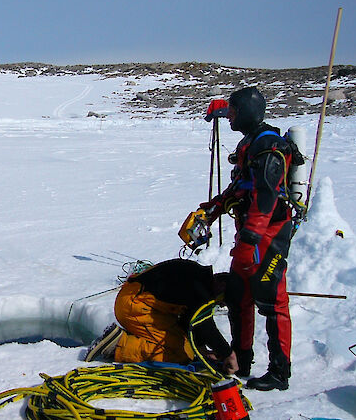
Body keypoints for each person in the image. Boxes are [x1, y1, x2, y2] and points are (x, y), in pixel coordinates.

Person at [198, 86, 295, 391]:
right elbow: (243, 186)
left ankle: (280, 373)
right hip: (249, 235)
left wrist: (251, 238)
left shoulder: (268, 146)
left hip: (268, 236)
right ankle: (241, 358)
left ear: (248, 112)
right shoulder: (249, 144)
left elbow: (267, 196)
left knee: (271, 300)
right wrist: (215, 207)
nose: (229, 116)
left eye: (233, 111)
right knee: (238, 298)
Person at [85, 259, 239, 376]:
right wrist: (228, 353)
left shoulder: (197, 276)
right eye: (221, 300)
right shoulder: (200, 289)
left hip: (139, 301)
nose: (217, 304)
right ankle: (118, 345)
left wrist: (202, 350)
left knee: (185, 347)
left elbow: (190, 321)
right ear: (221, 285)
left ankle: (127, 340)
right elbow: (204, 324)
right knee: (178, 355)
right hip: (134, 305)